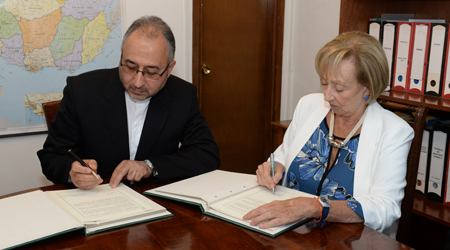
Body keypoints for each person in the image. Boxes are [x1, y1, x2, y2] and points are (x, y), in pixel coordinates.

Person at [243, 31, 414, 237]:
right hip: (292, 233)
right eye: (324, 83)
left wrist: (316, 207)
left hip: (351, 241)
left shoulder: (394, 131)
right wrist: (274, 167)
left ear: (367, 89)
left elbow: (385, 208)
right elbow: (283, 154)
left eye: (339, 88)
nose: (327, 95)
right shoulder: (308, 105)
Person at [37, 16, 220, 190]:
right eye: (131, 67)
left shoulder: (182, 96)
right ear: (122, 56)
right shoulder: (82, 91)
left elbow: (206, 154)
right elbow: (51, 156)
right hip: (96, 200)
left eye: (151, 72)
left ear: (169, 68)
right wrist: (72, 172)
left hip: (155, 206)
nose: (138, 82)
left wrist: (150, 167)